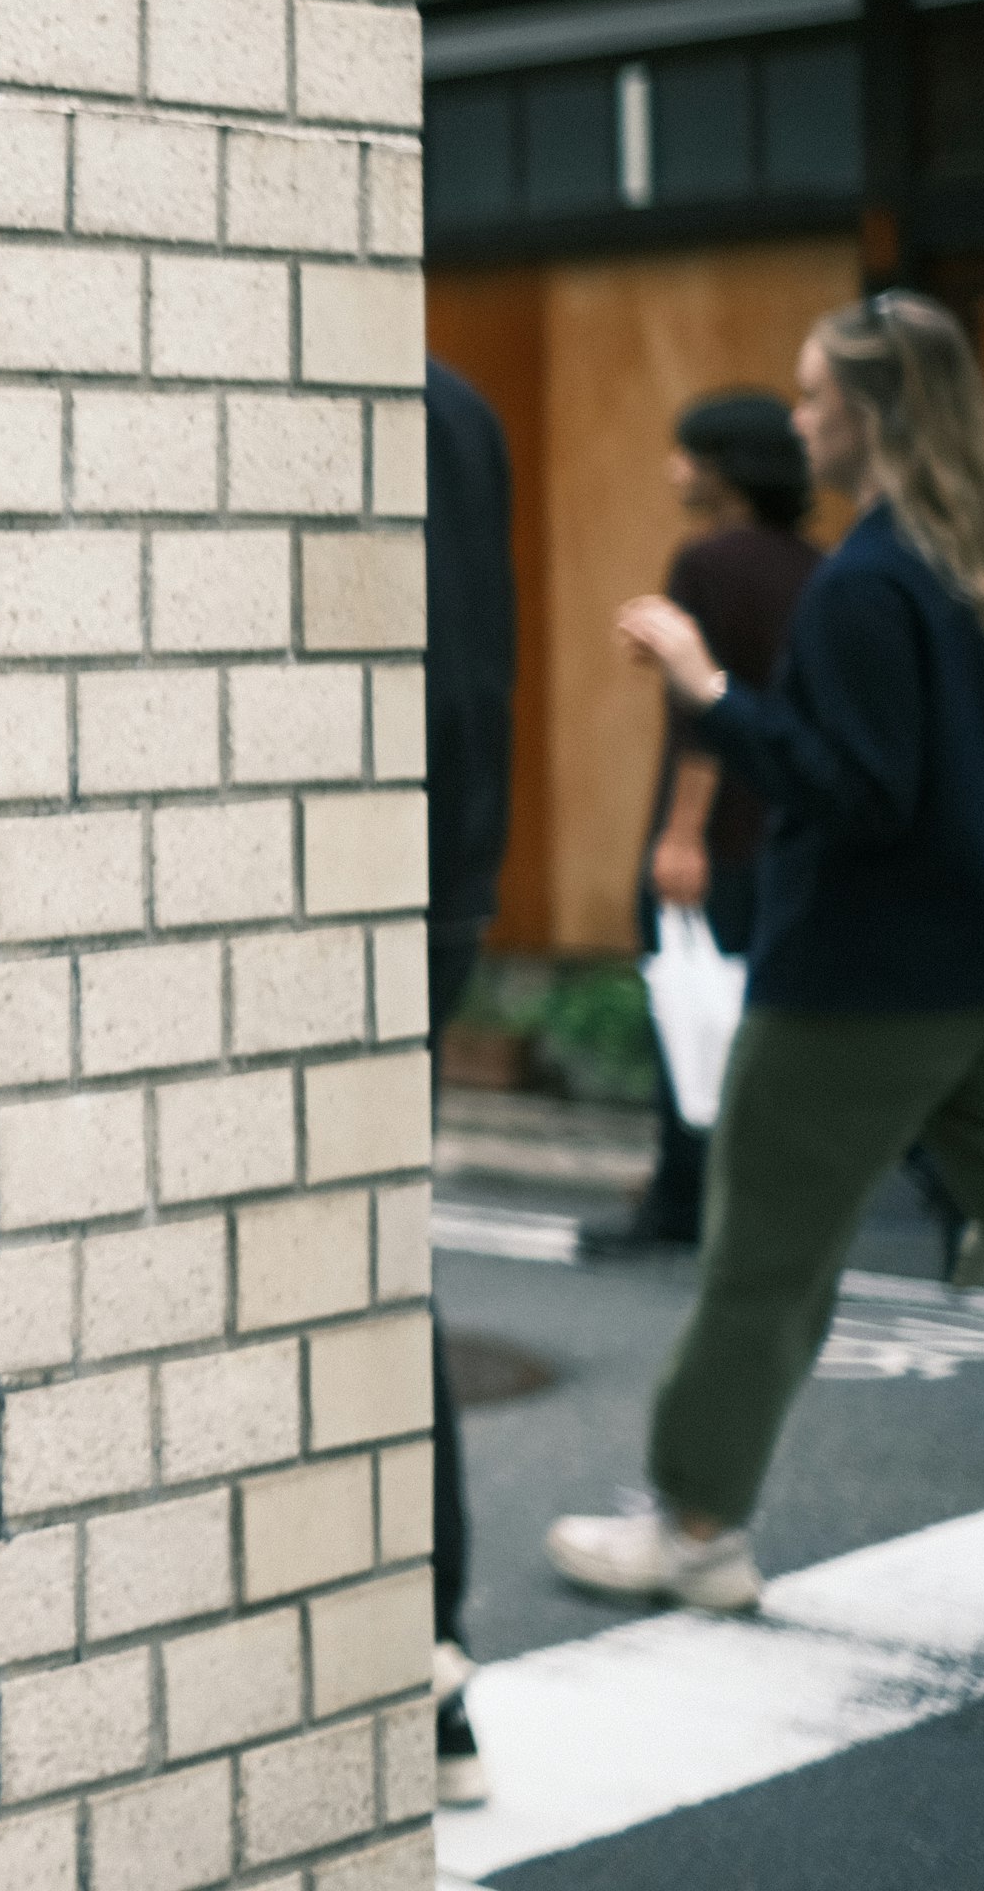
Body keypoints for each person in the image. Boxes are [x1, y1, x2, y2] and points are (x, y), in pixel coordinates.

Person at [551, 292, 984, 1610]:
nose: (798, 419)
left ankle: (697, 1529)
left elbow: (859, 790)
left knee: (764, 1269)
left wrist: (706, 692)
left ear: (870, 415)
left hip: (854, 988)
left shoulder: (866, 586)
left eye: (814, 395)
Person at [583, 393, 820, 1256]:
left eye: (686, 453)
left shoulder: (706, 563)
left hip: (716, 834)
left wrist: (681, 835)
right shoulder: (812, 563)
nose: (673, 469)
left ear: (724, 463)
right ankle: (756, 1200)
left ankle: (681, 1205)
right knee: (755, 1021)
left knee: (685, 1018)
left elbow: (702, 713)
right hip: (785, 825)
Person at [423, 357, 517, 1803]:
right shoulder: (461, 405)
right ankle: (433, 1670)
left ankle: (426, 1673)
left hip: (356, 884)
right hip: (442, 886)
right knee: (386, 1268)